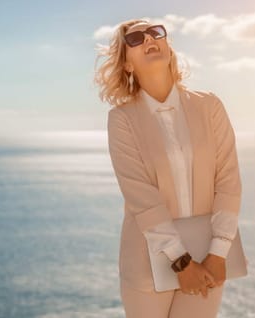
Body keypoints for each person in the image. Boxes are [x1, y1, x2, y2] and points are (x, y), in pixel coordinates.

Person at [94, 18, 242, 318]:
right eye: (135, 39)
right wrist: (181, 262)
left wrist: (218, 252)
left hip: (208, 257)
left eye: (156, 32)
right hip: (147, 264)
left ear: (168, 47)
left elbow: (228, 180)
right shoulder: (122, 120)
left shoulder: (209, 105)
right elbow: (141, 196)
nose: (149, 39)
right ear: (127, 64)